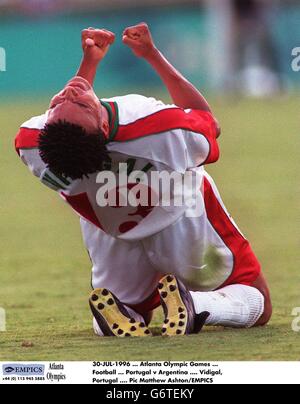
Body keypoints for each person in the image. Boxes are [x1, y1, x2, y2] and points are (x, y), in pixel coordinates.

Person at [15, 23, 272, 338]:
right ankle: (196, 304)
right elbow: (208, 122)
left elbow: (76, 128)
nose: (68, 94)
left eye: (57, 105)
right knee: (255, 298)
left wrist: (90, 62)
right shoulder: (157, 126)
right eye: (79, 103)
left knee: (126, 305)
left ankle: (115, 316)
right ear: (101, 123)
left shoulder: (32, 144)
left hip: (112, 233)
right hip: (181, 218)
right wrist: (153, 55)